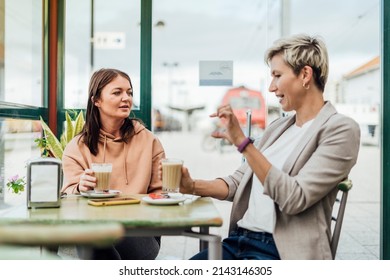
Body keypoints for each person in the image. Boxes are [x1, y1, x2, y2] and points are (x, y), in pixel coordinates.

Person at [177, 34, 361, 260]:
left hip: (281, 252)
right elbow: (238, 183)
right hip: (238, 242)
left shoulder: (341, 129)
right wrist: (191, 186)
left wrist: (244, 144)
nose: (272, 87)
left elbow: (295, 198)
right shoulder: (279, 127)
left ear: (305, 74)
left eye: (277, 75)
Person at [61, 68, 165, 260]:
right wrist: (79, 187)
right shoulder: (76, 147)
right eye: (117, 92)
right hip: (95, 229)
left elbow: (161, 193)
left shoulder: (149, 141)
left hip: (141, 233)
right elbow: (68, 200)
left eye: (129, 92)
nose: (126, 98)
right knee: (91, 230)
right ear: (96, 100)